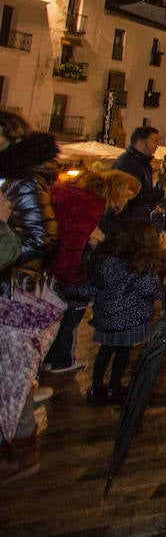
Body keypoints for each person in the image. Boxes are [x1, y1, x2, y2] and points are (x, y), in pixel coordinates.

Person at [0, 112, 59, 482]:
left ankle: (19, 450)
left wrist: (6, 250)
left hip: (13, 287)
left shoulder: (20, 181)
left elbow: (42, 237)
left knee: (11, 370)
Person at [43, 169, 140, 374]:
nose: (123, 205)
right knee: (70, 314)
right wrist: (76, 280)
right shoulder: (89, 203)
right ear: (118, 190)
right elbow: (71, 246)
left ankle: (50, 359)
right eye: (126, 197)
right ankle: (61, 361)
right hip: (57, 267)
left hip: (46, 262)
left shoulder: (79, 193)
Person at [77, 218, 164, 405]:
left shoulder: (103, 259)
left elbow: (93, 285)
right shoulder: (137, 264)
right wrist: (160, 289)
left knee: (105, 351)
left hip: (105, 316)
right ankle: (114, 387)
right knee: (122, 354)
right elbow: (148, 288)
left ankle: (96, 385)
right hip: (128, 318)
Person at [108, 125, 163, 229]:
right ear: (141, 142)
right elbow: (133, 196)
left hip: (134, 222)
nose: (157, 145)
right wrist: (161, 193)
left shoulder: (141, 163)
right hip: (128, 224)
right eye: (155, 141)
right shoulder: (130, 164)